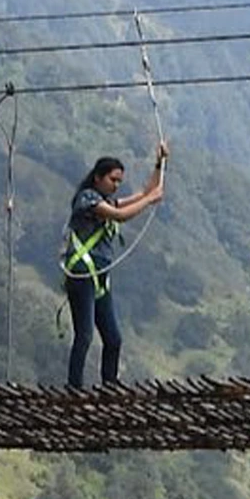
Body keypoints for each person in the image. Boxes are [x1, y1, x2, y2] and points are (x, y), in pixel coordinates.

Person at [63, 143, 167, 387]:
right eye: (113, 180)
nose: (116, 186)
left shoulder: (106, 200)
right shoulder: (87, 199)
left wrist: (159, 164)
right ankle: (73, 387)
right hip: (82, 274)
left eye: (119, 181)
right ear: (98, 178)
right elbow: (121, 215)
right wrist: (151, 199)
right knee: (85, 334)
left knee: (113, 338)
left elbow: (145, 192)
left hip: (100, 277)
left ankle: (109, 384)